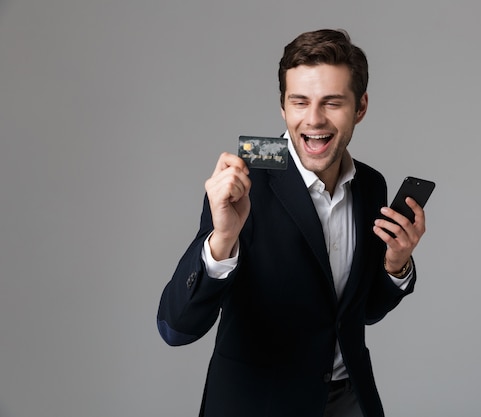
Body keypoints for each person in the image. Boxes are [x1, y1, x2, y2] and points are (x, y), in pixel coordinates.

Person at [157, 28, 427, 417]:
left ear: (361, 107)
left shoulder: (371, 185)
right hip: (260, 404)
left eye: (331, 103)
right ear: (283, 107)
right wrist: (222, 240)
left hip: (350, 400)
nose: (313, 120)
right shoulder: (242, 186)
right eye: (299, 102)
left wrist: (395, 264)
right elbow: (175, 328)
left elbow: (361, 312)